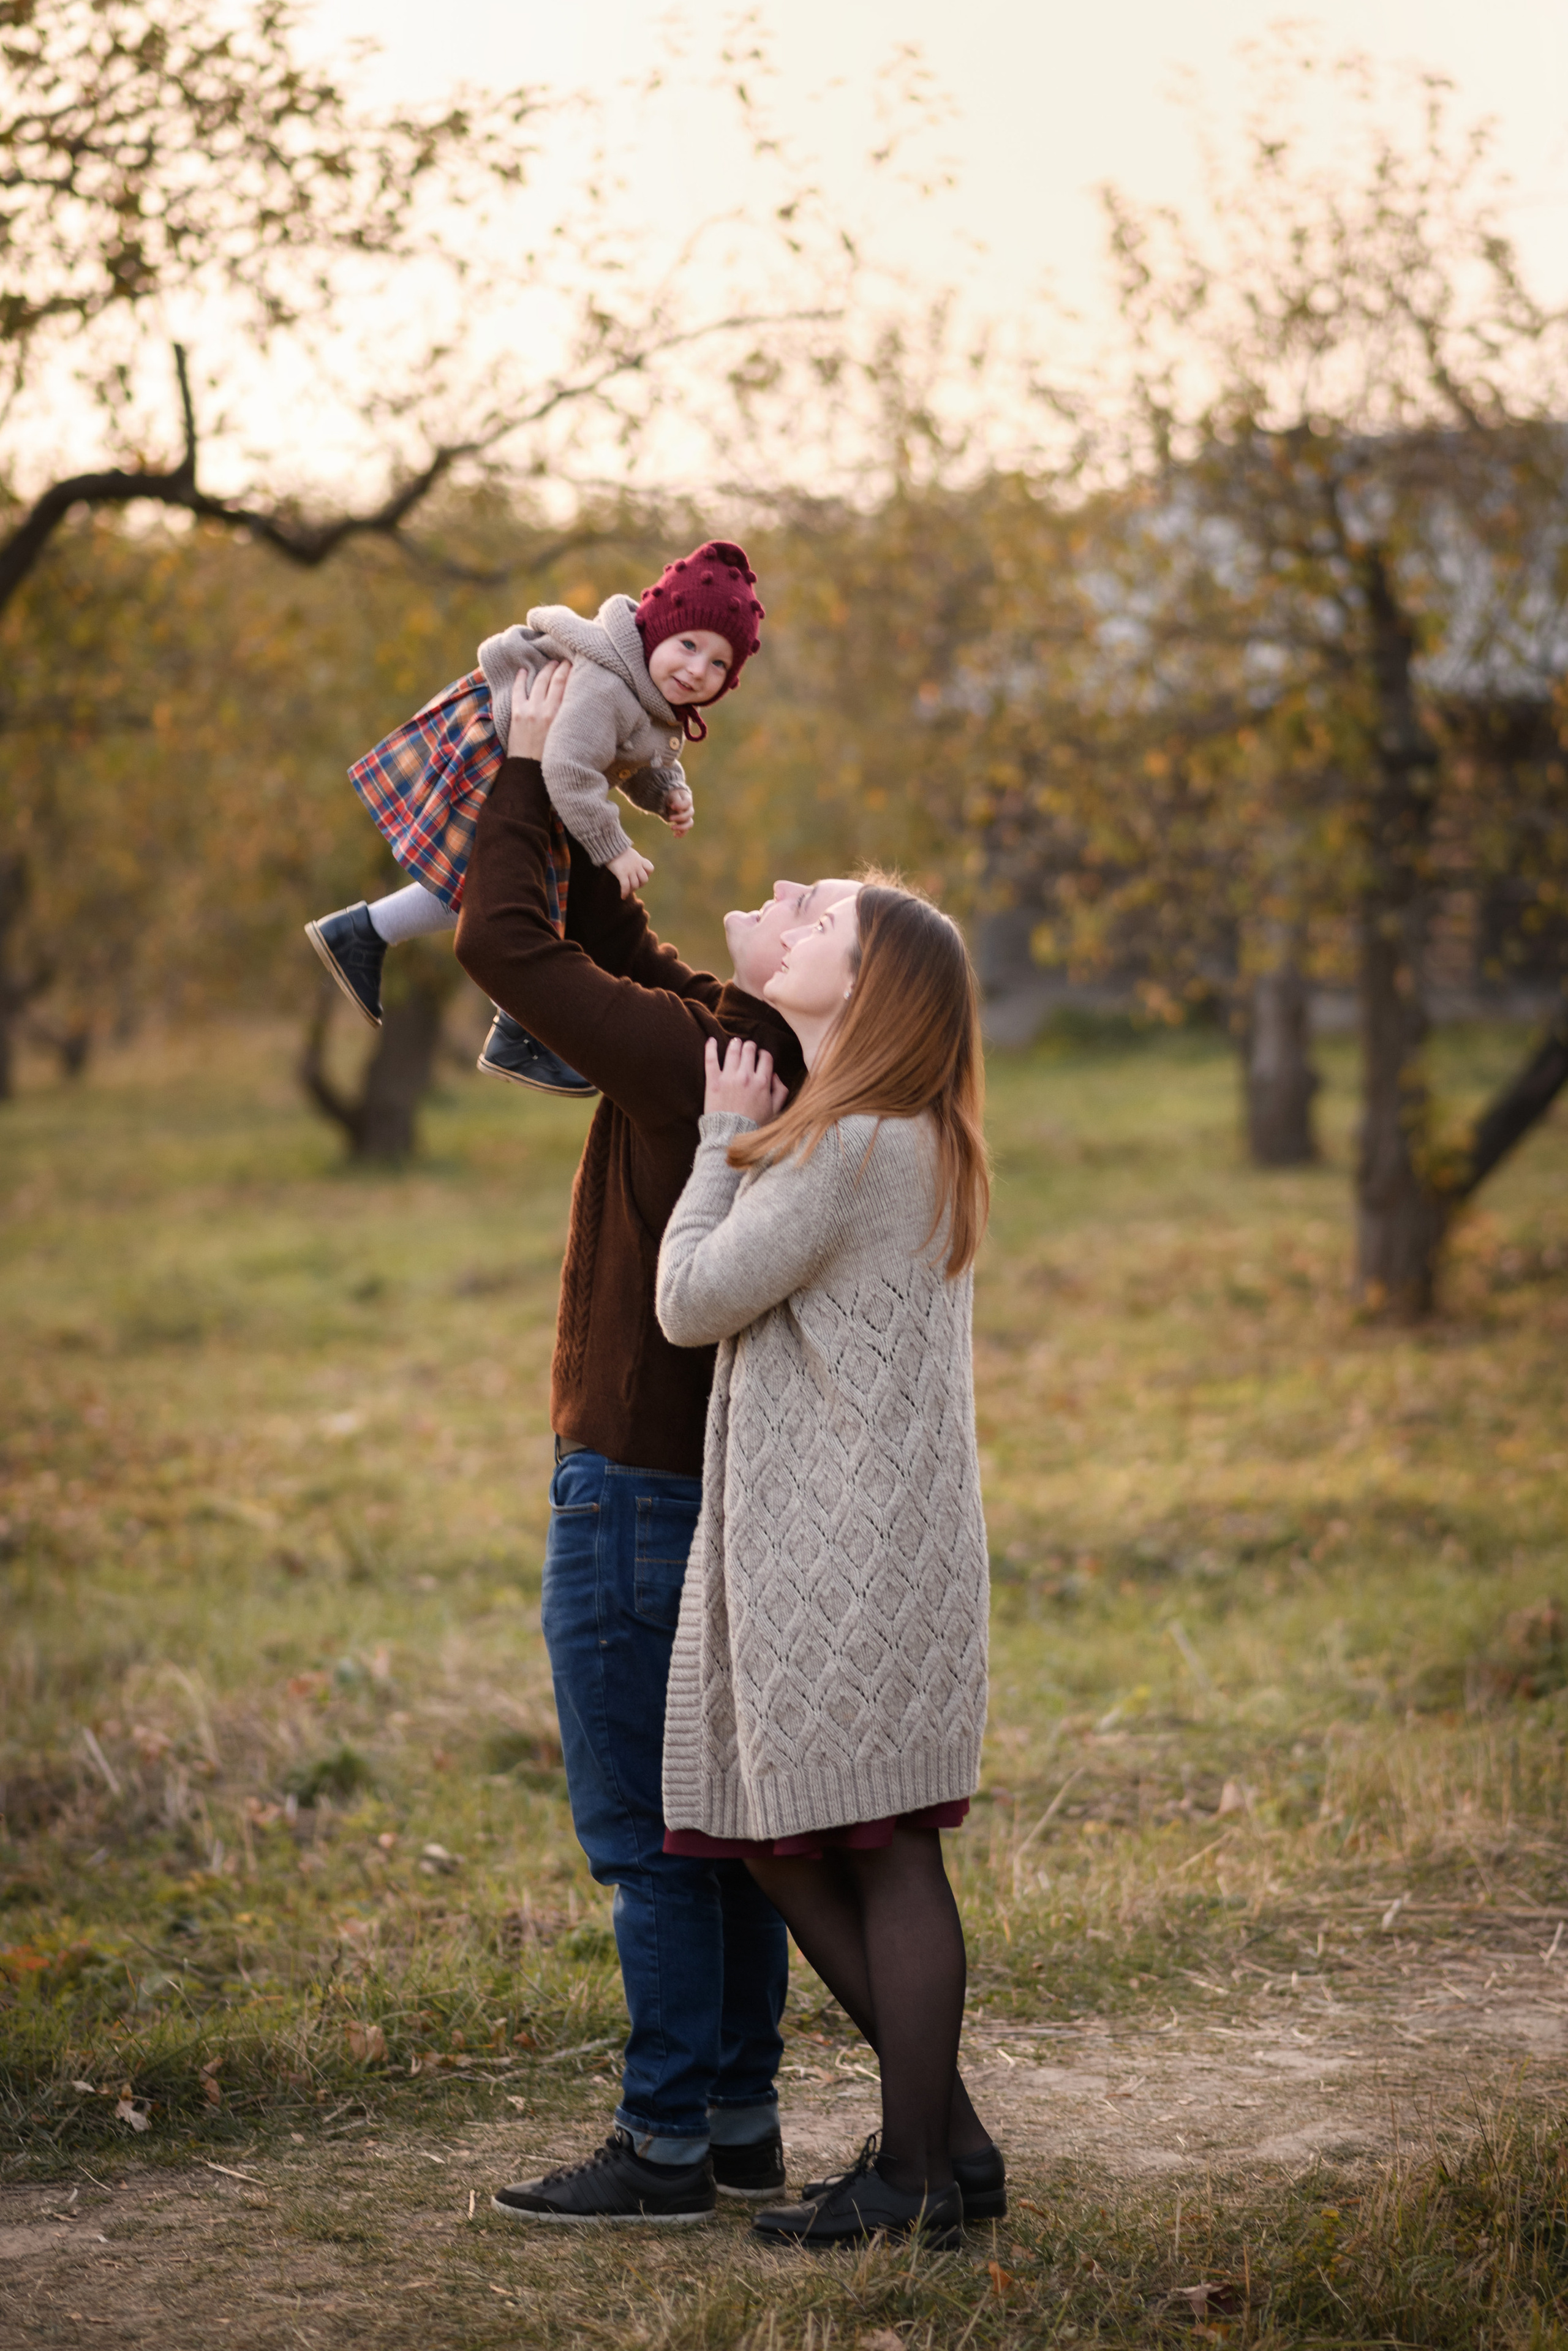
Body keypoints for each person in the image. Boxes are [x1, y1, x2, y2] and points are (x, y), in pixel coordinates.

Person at [453, 658, 862, 2225]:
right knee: (724, 1824)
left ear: (831, 981)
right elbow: (611, 944)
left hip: (631, 1481)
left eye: (811, 906)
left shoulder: (711, 1065)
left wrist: (513, 765)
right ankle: (738, 2116)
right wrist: (583, 797)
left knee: (649, 1835)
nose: (772, 889)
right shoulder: (748, 1046)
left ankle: (665, 2138)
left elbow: (509, 948)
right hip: (704, 1479)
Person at [654, 879, 1000, 2248]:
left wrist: (718, 1136)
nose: (790, 929)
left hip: (849, 1551)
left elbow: (688, 1302)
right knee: (792, 1840)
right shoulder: (907, 1131)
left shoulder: (847, 1142)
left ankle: (913, 2173)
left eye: (821, 929)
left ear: (860, 993)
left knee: (886, 1850)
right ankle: (948, 2141)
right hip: (870, 1542)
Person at [305, 539, 764, 1093]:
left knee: (515, 892)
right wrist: (613, 848)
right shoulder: (608, 685)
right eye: (688, 644)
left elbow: (621, 759)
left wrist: (666, 792)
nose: (697, 670)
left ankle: (377, 943)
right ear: (657, 628)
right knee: (504, 891)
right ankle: (503, 1024)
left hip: (537, 773)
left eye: (718, 663)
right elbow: (572, 770)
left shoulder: (648, 696)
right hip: (508, 760)